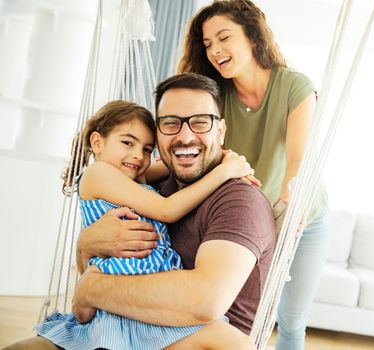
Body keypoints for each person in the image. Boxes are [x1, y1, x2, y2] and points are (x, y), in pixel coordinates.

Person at [4, 73, 275, 350]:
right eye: (171, 123)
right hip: (120, 315)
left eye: (200, 122)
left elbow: (205, 301)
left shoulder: (238, 200)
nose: (185, 135)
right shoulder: (136, 180)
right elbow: (166, 196)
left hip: (178, 329)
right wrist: (85, 245)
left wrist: (91, 289)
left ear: (220, 131)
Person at [178, 1, 330, 349]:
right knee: (251, 318)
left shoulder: (295, 86)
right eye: (207, 44)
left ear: (252, 36)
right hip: (255, 220)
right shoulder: (218, 99)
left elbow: (298, 160)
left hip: (304, 217)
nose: (215, 50)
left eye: (224, 37)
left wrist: (292, 197)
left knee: (291, 322)